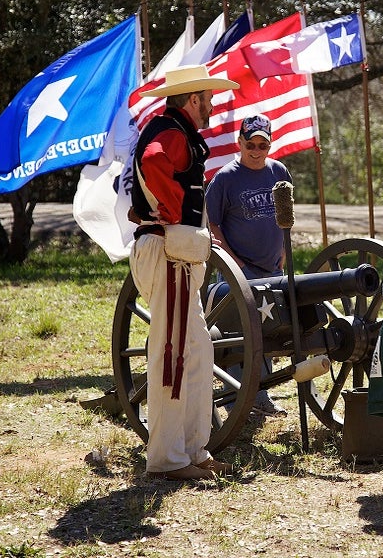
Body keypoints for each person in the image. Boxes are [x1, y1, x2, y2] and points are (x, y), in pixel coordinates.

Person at [129, 64, 238, 480]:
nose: (211, 105)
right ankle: (166, 461)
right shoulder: (172, 134)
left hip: (178, 258)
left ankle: (192, 450)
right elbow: (154, 162)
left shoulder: (175, 130)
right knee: (172, 358)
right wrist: (172, 211)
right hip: (170, 256)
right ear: (193, 100)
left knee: (197, 354)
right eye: (207, 98)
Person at [205, 114, 292, 417]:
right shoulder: (225, 179)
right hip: (240, 269)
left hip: (273, 266)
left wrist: (283, 247)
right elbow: (212, 224)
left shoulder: (279, 171)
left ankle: (261, 395)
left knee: (269, 330)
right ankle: (234, 396)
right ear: (239, 142)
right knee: (239, 332)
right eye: (250, 144)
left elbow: (286, 214)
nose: (256, 151)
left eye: (262, 145)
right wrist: (233, 261)